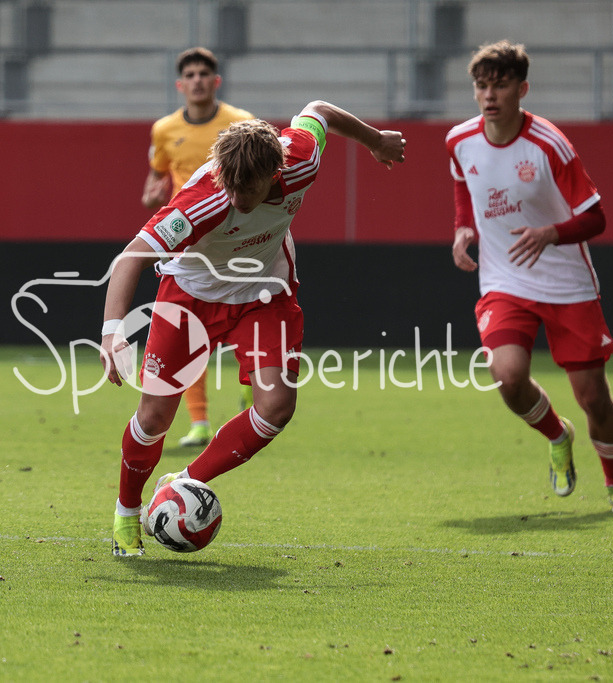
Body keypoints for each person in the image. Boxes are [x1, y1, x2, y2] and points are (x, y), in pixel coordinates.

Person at [103, 100, 407, 556]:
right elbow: (131, 257)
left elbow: (319, 110)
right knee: (154, 417)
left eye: (250, 187)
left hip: (264, 294)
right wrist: (112, 332)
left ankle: (185, 482)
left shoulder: (300, 159)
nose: (239, 197)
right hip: (191, 297)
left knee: (277, 406)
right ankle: (127, 511)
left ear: (275, 172)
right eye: (233, 184)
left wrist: (374, 140)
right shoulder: (201, 201)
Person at [445, 40, 613, 514]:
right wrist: (463, 228)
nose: (489, 95)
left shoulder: (549, 144)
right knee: (508, 377)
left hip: (566, 285)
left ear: (522, 88)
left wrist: (550, 232)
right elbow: (463, 185)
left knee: (594, 397)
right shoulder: (458, 140)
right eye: (481, 85)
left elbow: (596, 218)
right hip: (503, 280)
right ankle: (558, 434)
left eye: (501, 84)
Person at [141, 47, 255, 448]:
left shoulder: (240, 123)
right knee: (190, 331)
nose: (197, 80)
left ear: (216, 81)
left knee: (244, 311)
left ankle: (250, 382)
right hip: (188, 239)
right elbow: (156, 178)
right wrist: (154, 196)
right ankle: (200, 422)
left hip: (236, 236)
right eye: (189, 74)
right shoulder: (164, 130)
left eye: (204, 73)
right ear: (180, 84)